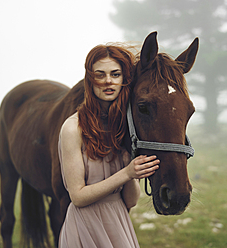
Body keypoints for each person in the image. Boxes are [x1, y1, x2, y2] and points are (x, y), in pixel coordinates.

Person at [58, 44, 160, 247]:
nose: (108, 81)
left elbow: (130, 201)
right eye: (100, 75)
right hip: (84, 225)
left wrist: (133, 173)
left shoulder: (124, 126)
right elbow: (77, 197)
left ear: (124, 79)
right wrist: (127, 173)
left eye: (115, 74)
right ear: (90, 79)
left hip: (118, 223)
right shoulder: (72, 128)